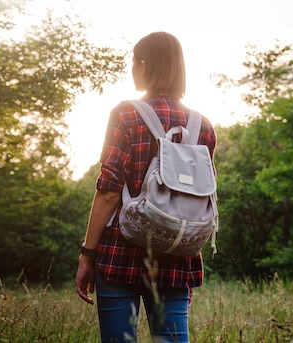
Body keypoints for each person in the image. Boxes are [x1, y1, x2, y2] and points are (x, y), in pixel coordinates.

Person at [75, 31, 217, 343]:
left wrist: (87, 254)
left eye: (132, 62)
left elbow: (109, 189)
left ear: (142, 64)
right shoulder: (202, 125)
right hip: (176, 255)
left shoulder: (126, 114)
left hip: (119, 252)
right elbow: (201, 200)